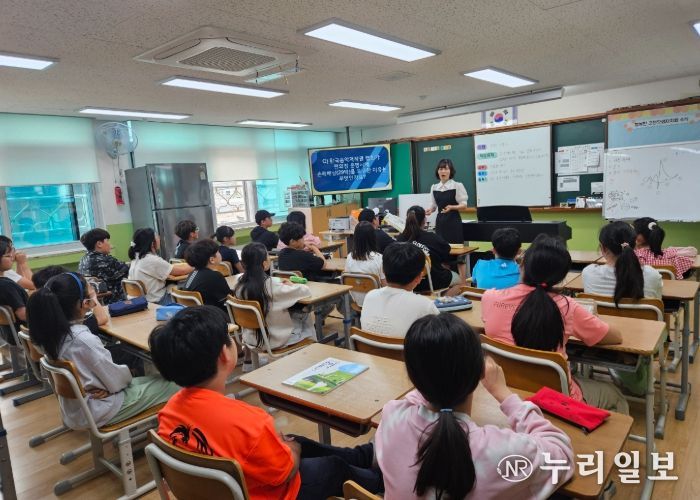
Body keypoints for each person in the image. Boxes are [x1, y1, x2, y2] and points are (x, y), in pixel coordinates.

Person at [150, 306, 383, 500]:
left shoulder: (169, 412)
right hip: (272, 492)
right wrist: (293, 449)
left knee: (298, 440)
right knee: (332, 467)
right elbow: (285, 472)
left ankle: (363, 456)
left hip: (221, 490)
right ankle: (381, 480)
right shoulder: (250, 422)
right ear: (224, 355)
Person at [376, 314, 573, 499]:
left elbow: (418, 394)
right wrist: (504, 394)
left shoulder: (392, 417)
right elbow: (561, 455)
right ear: (480, 372)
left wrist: (431, 371)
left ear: (413, 377)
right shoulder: (500, 452)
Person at [481, 234, 629, 414]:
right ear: (561, 276)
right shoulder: (567, 306)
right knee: (616, 396)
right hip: (556, 402)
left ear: (522, 263)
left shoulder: (489, 298)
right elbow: (615, 337)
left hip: (505, 395)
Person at [27, 272, 178, 429]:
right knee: (175, 384)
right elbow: (117, 381)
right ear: (83, 303)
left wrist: (102, 386)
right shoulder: (83, 340)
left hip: (76, 407)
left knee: (154, 379)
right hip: (100, 408)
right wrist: (115, 383)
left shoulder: (50, 335)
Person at [582, 221, 662, 396]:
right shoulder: (652, 275)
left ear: (603, 248)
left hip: (604, 338)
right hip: (642, 341)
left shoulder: (588, 273)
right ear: (635, 245)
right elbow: (657, 309)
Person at [32, 266, 143, 374]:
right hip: (102, 382)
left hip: (81, 379)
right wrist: (92, 294)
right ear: (84, 302)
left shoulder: (46, 326)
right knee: (136, 352)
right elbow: (116, 379)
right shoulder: (83, 339)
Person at [232, 242, 314, 364]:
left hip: (250, 338)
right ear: (265, 263)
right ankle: (309, 359)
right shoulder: (271, 286)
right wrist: (292, 285)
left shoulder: (239, 285)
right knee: (305, 313)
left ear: (243, 263)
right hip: (273, 340)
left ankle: (250, 364)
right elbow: (305, 291)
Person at [361, 243, 438, 338]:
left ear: (383, 270)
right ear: (419, 277)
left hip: (368, 348)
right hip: (405, 348)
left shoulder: (370, 296)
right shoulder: (425, 305)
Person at [396, 206, 461, 293]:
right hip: (432, 281)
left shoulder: (400, 239)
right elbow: (446, 249)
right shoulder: (433, 238)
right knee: (459, 281)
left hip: (407, 283)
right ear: (424, 220)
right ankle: (440, 300)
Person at [128, 228, 192, 304]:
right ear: (152, 243)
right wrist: (197, 264)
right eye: (157, 237)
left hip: (142, 300)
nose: (159, 239)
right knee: (186, 286)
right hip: (157, 301)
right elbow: (182, 271)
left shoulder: (136, 258)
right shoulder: (151, 260)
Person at [78, 228, 130, 303]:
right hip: (112, 301)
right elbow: (128, 269)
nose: (110, 244)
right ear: (99, 244)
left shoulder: (83, 260)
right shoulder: (106, 260)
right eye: (107, 241)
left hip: (94, 301)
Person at [424, 159, 468, 244]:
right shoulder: (434, 187)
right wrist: (430, 210)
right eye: (441, 169)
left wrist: (452, 207)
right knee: (441, 246)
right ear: (438, 171)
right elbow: (434, 205)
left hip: (453, 221)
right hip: (440, 222)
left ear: (450, 171)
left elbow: (464, 205)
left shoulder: (457, 186)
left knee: (455, 247)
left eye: (446, 169)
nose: (443, 171)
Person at [181, 239, 232, 311]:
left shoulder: (193, 273)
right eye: (218, 252)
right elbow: (229, 300)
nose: (220, 253)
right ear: (212, 260)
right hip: (212, 315)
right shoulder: (214, 276)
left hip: (195, 314)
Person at [344, 222, 386, 306]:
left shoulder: (349, 257)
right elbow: (385, 285)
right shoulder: (379, 258)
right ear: (373, 237)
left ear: (355, 238)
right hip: (376, 303)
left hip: (357, 301)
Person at [0, 238, 28, 343]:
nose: (12, 257)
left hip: (7, 336)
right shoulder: (6, 286)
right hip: (25, 336)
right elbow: (23, 315)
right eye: (8, 256)